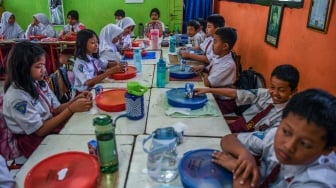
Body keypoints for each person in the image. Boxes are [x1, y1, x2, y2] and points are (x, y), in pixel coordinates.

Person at [212, 88, 336, 187]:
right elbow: (228, 139)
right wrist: (245, 155)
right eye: (286, 131)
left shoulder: (319, 181)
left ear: (327, 150)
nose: (288, 146)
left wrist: (243, 181)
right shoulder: (274, 134)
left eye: (304, 144)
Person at [2, 42, 93, 158]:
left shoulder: (38, 83)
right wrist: (71, 109)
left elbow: (56, 108)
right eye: (38, 66)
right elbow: (40, 130)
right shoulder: (17, 98)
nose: (44, 70)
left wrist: (75, 100)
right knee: (74, 148)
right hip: (32, 140)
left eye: (43, 65)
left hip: (48, 126)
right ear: (23, 68)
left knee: (82, 130)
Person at [195, 64, 299, 132]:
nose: (275, 93)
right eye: (272, 87)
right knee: (203, 127)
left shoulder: (286, 117)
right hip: (240, 124)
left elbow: (265, 140)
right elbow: (236, 93)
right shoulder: (265, 94)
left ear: (293, 92)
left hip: (250, 138)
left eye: (281, 90)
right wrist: (209, 90)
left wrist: (235, 137)